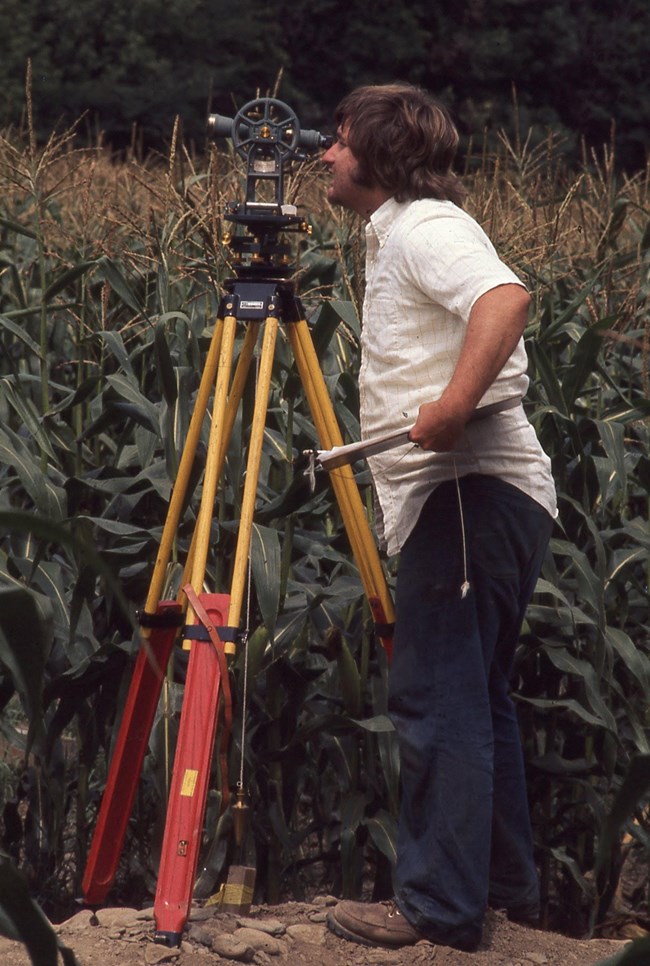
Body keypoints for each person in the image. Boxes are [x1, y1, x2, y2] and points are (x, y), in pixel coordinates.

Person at [321, 83, 557, 953]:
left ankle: (438, 907)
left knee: (436, 700)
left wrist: (455, 405)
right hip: (481, 498)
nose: (323, 155)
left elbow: (505, 299)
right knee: (477, 699)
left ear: (377, 153)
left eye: (338, 139)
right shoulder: (399, 237)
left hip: (466, 489)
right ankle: (500, 891)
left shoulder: (427, 228)